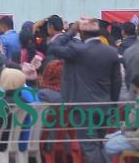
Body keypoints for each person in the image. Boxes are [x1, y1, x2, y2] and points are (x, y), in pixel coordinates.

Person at [49, 16, 122, 163]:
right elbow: (117, 82)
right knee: (99, 143)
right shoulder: (111, 52)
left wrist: (70, 32)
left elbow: (53, 47)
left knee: (89, 146)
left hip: (82, 106)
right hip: (105, 105)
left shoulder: (77, 50)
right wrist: (112, 104)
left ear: (81, 33)